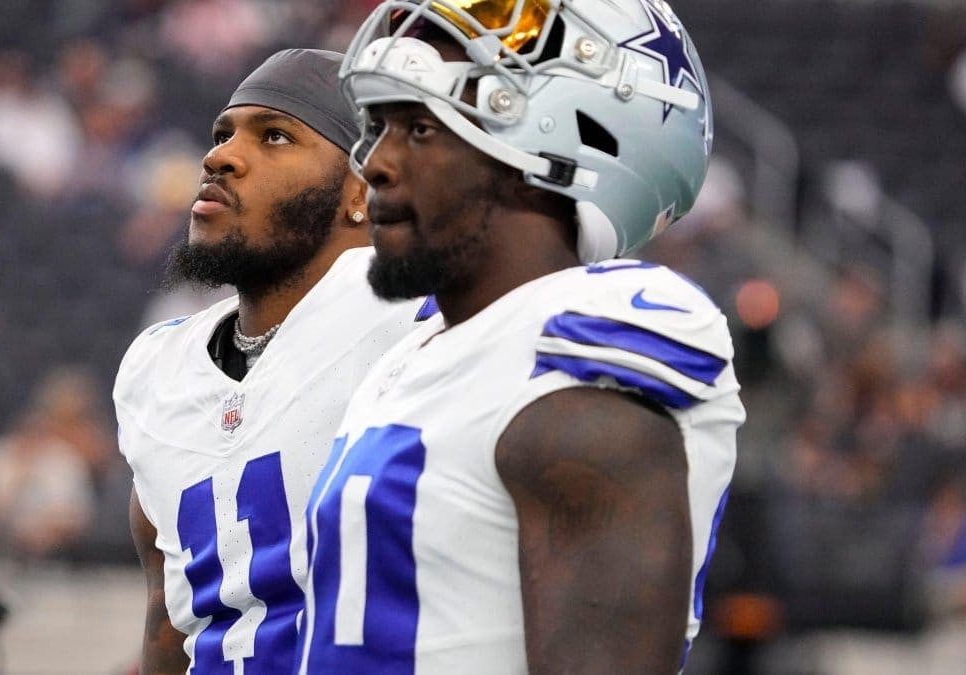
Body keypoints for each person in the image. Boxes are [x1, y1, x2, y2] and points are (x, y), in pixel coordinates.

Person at [298, 2, 746, 674]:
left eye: (421, 127)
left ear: (547, 150)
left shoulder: (580, 360)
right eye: (381, 125)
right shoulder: (422, 353)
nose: (377, 164)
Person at [113, 49, 424, 674]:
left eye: (274, 136)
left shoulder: (424, 326)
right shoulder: (159, 368)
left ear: (361, 190)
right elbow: (170, 622)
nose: (219, 156)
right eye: (222, 133)